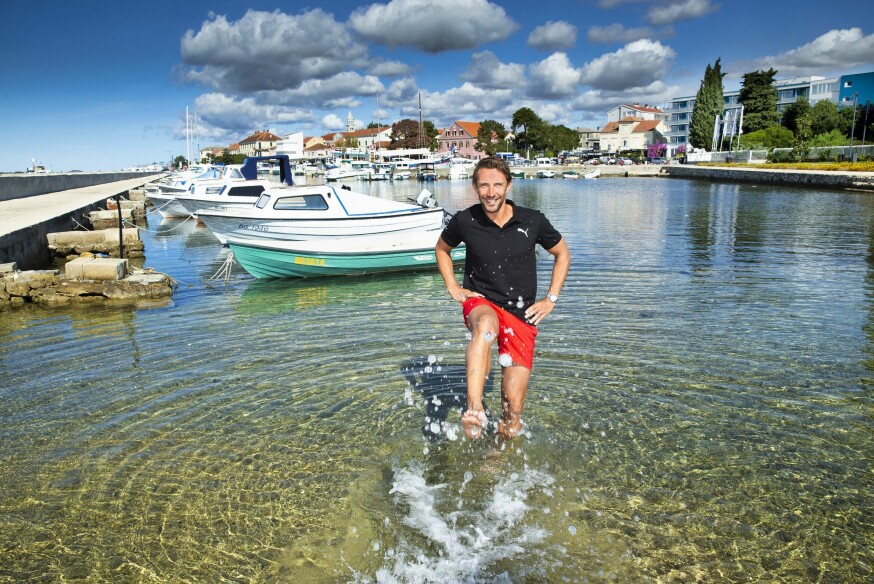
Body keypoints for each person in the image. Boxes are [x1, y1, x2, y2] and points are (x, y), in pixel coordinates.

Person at [435, 157, 570, 440]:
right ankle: (474, 409)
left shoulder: (532, 221)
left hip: (522, 314)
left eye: (497, 184)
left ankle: (495, 460)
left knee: (513, 408)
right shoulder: (465, 220)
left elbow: (562, 254)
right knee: (485, 325)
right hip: (481, 301)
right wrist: (453, 288)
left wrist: (551, 298)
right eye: (484, 185)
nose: (491, 192)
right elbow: (442, 249)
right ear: (475, 186)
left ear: (508, 185)